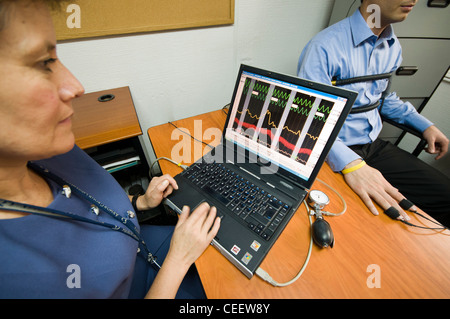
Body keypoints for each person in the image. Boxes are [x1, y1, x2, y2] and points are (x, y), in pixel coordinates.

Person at [0, 0, 220, 298]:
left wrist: (141, 203)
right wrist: (178, 259)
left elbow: (91, 211)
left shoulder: (50, 151)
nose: (76, 86)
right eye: (44, 63)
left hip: (147, 246)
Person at [297, 0, 450, 226]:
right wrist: (352, 164)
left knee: (444, 198)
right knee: (373, 226)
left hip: (374, 148)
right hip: (332, 152)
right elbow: (310, 119)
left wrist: (424, 124)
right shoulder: (324, 47)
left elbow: (382, 98)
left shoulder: (392, 45)